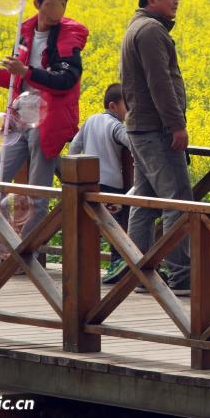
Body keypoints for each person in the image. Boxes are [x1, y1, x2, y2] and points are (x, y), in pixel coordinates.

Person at [0, 0, 88, 273]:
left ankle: (21, 259)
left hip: (49, 122)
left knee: (38, 195)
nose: (57, 10)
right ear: (37, 4)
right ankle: (2, 247)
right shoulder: (25, 30)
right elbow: (16, 80)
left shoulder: (70, 34)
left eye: (62, 5)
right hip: (19, 119)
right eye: (50, 4)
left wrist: (27, 71)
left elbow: (65, 81)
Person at [119, 0, 192, 295]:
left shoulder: (138, 27)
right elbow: (159, 82)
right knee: (178, 202)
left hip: (140, 127)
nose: (176, 0)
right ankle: (181, 277)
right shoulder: (151, 31)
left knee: (145, 204)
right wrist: (176, 124)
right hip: (156, 130)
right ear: (152, 0)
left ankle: (139, 273)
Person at [68, 83, 131, 284]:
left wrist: (71, 175)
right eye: (127, 106)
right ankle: (119, 260)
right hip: (111, 184)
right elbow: (130, 141)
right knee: (115, 223)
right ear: (113, 106)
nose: (130, 111)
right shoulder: (116, 125)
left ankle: (84, 264)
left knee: (92, 224)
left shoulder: (90, 120)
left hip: (87, 182)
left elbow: (75, 147)